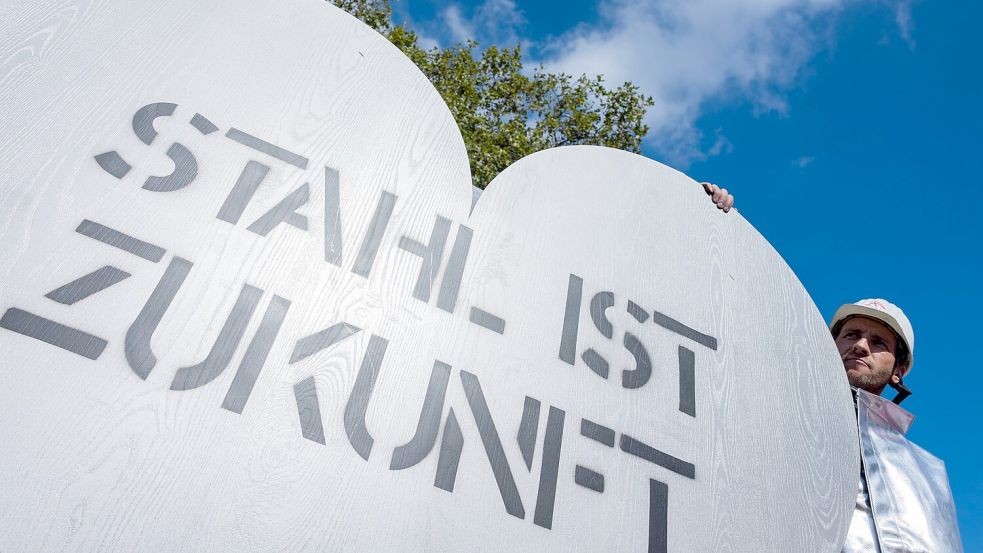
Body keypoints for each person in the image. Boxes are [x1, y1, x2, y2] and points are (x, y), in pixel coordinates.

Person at [701, 183, 963, 552]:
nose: (860, 345)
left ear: (898, 371)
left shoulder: (929, 475)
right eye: (852, 334)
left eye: (879, 343)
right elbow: (724, 332)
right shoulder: (782, 415)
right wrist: (708, 222)